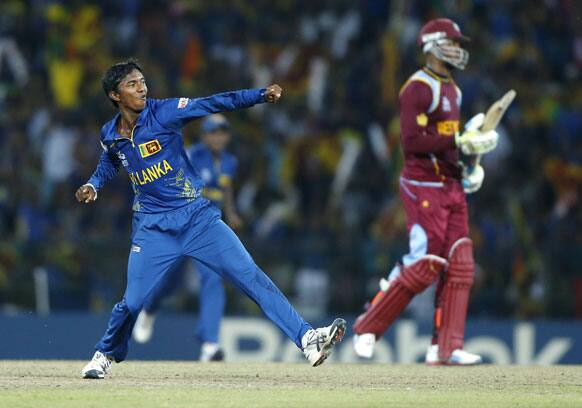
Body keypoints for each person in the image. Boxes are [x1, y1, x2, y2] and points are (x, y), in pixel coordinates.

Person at [77, 59, 346, 379]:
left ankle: (307, 339)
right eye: (132, 85)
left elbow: (213, 102)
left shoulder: (165, 112)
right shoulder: (110, 133)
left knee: (251, 277)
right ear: (115, 95)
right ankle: (104, 355)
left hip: (197, 220)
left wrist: (259, 95)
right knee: (132, 303)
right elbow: (111, 161)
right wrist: (94, 183)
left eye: (143, 81)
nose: (142, 88)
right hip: (153, 228)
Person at [352, 18, 498, 365]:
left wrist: (467, 169)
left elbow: (445, 146)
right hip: (422, 186)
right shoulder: (418, 87)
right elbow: (412, 142)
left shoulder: (455, 90)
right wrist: (459, 139)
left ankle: (446, 347)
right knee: (426, 263)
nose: (458, 49)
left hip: (449, 185)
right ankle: (367, 328)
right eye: (451, 42)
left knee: (461, 263)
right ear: (431, 44)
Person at [132, 114, 243, 362]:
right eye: (213, 132)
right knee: (169, 280)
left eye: (222, 132)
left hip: (206, 229)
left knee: (213, 279)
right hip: (180, 226)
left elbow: (226, 188)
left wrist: (232, 212)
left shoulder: (229, 161)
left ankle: (210, 345)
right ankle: (149, 309)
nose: (218, 137)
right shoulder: (191, 154)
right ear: (204, 135)